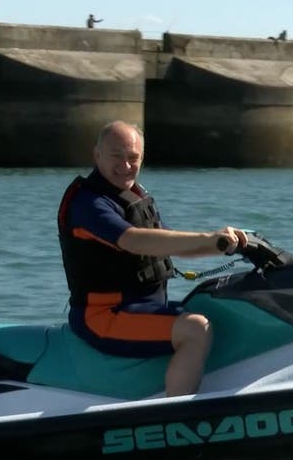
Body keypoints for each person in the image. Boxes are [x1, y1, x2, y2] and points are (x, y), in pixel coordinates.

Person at [57, 121, 248, 396]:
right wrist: (209, 238)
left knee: (219, 303)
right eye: (116, 156)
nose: (125, 165)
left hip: (141, 309)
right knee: (196, 329)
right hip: (104, 316)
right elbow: (132, 240)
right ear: (97, 154)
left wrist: (226, 246)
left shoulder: (133, 197)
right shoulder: (89, 204)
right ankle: (177, 418)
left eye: (133, 158)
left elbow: (167, 243)